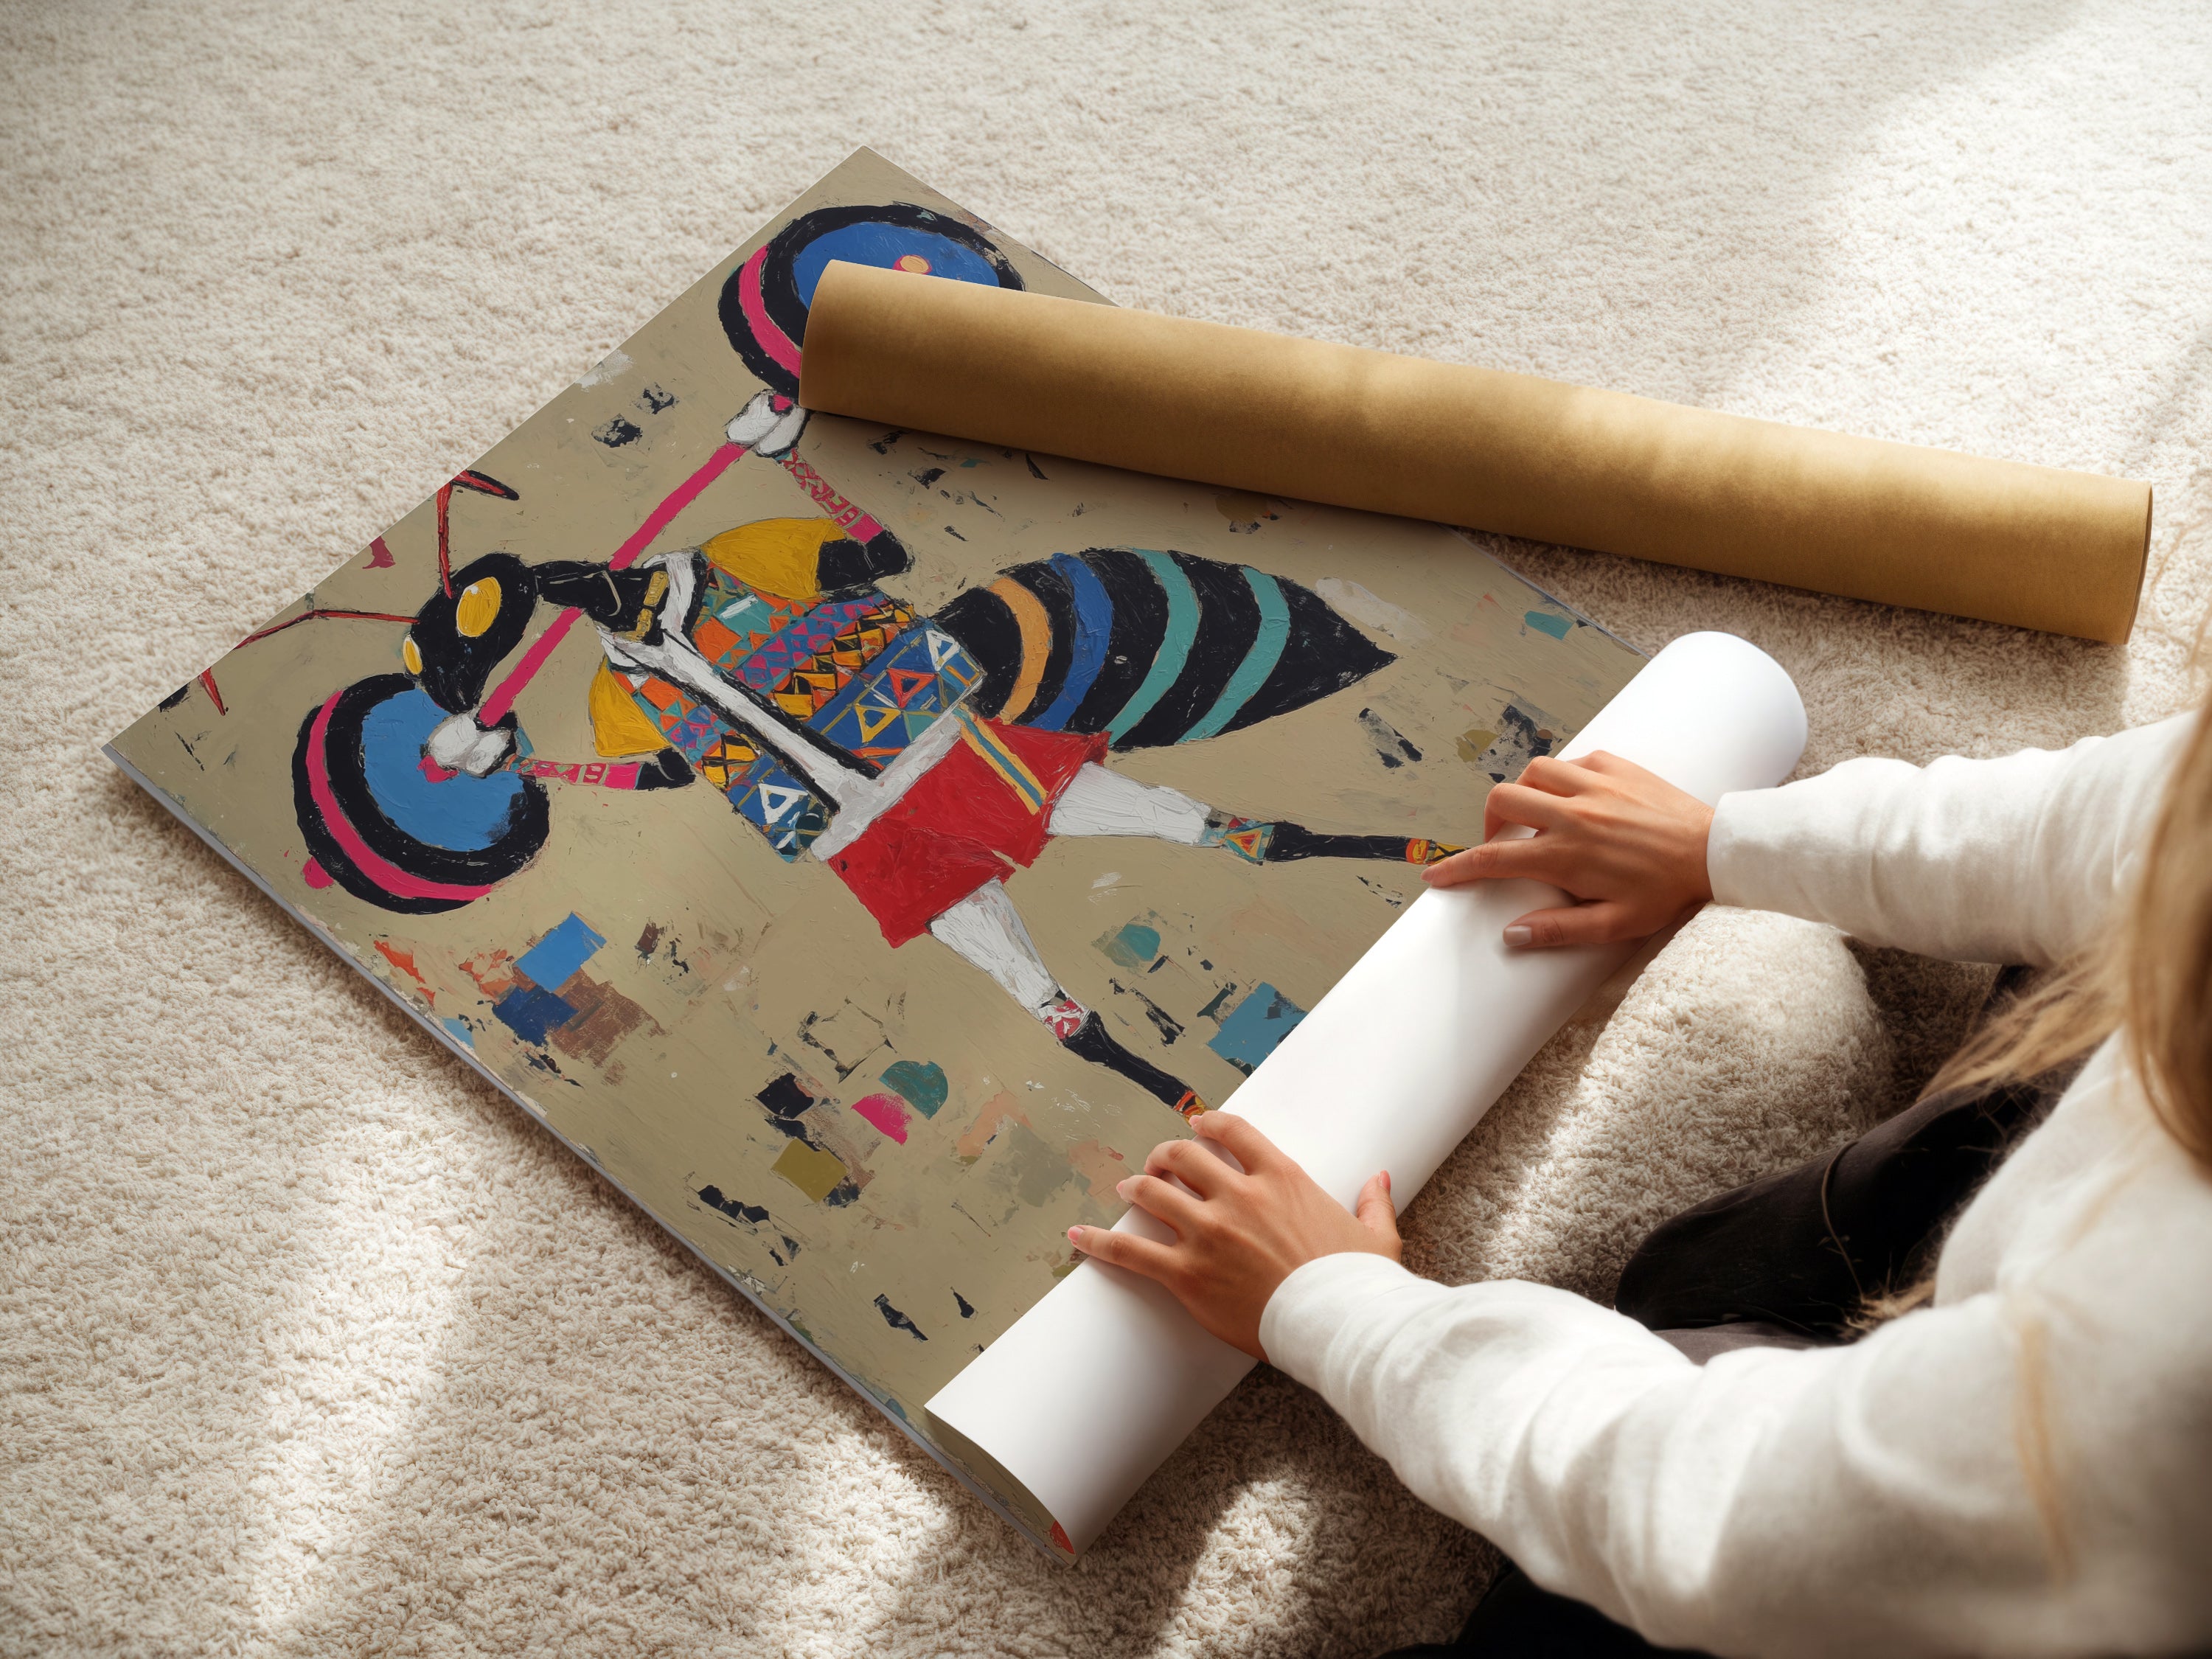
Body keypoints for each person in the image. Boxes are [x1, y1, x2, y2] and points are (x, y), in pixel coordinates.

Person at [1068, 703, 2212, 1656]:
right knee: (1701, 1277)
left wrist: (1338, 1307)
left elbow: (1716, 1513)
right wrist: (1722, 841)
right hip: (2065, 1320)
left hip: (2053, 1553)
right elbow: (2123, 817)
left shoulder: (2158, 1375)